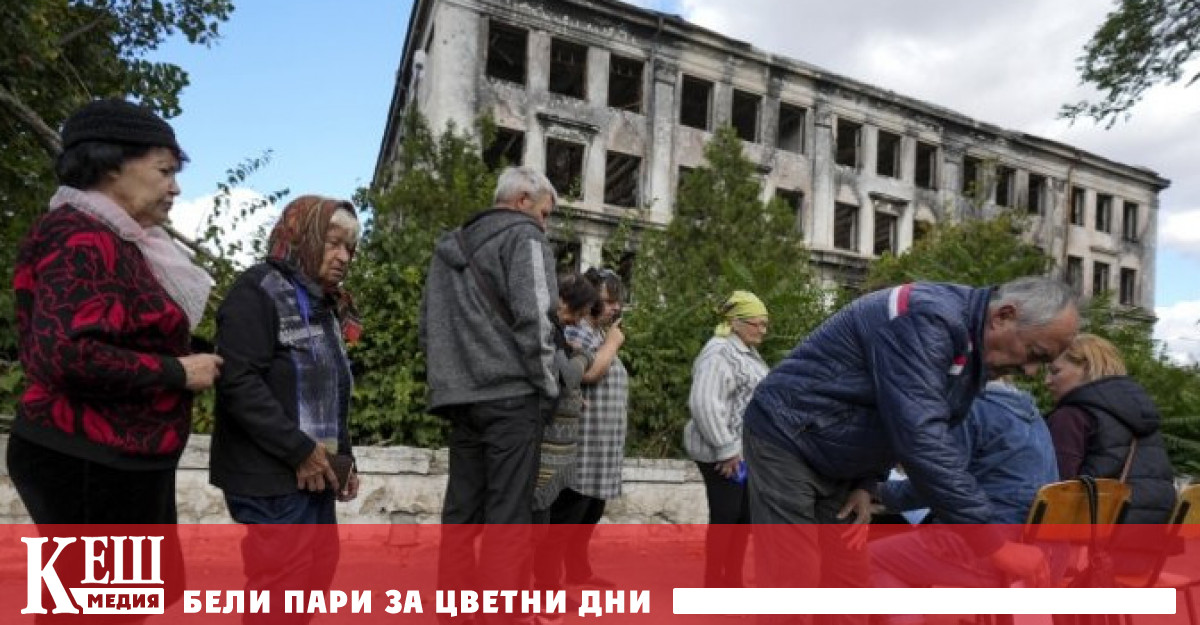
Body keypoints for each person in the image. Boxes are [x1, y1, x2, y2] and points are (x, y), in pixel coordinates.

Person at [742, 277, 1078, 619]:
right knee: (794, 581)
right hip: (787, 433)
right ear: (1003, 316)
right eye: (1035, 354)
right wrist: (994, 544)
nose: (1031, 370)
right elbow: (920, 435)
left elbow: (894, 414)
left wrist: (866, 483)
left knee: (848, 583)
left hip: (838, 453)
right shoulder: (929, 319)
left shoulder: (972, 349)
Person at [8, 98, 221, 525]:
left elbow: (131, 333)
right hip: (87, 458)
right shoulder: (77, 235)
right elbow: (67, 354)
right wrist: (178, 372)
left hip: (121, 460)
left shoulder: (126, 241)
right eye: (165, 171)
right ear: (111, 166)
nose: (175, 188)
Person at [211, 195, 362, 622]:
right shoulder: (257, 290)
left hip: (314, 471)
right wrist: (299, 450)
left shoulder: (324, 304)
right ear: (303, 237)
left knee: (315, 574)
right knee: (282, 586)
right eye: (333, 243)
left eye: (349, 248)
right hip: (270, 472)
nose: (342, 257)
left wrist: (344, 461)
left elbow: (331, 385)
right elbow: (238, 382)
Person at [420, 166, 559, 599]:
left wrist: (450, 381)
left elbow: (428, 327)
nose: (545, 223)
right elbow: (537, 318)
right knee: (508, 518)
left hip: (460, 399)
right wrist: (549, 383)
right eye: (545, 213)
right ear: (522, 201)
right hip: (511, 397)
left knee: (461, 515)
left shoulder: (449, 247)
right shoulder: (525, 236)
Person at [869, 379, 1061, 606]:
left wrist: (874, 491)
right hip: (1041, 551)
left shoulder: (970, 410)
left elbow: (935, 486)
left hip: (988, 548)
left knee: (869, 558)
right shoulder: (1032, 415)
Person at [684, 290, 770, 588]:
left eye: (764, 324)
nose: (763, 330)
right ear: (735, 322)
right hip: (721, 452)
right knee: (727, 516)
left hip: (742, 453)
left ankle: (731, 580)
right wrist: (726, 450)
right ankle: (715, 583)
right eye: (756, 323)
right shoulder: (719, 352)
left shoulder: (745, 351)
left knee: (743, 516)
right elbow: (705, 403)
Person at [550, 267, 628, 586]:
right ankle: (548, 583)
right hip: (581, 444)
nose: (615, 308)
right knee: (568, 516)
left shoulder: (595, 332)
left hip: (600, 446)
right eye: (609, 301)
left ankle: (577, 573)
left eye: (617, 302)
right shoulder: (579, 329)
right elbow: (580, 373)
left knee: (589, 513)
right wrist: (612, 345)